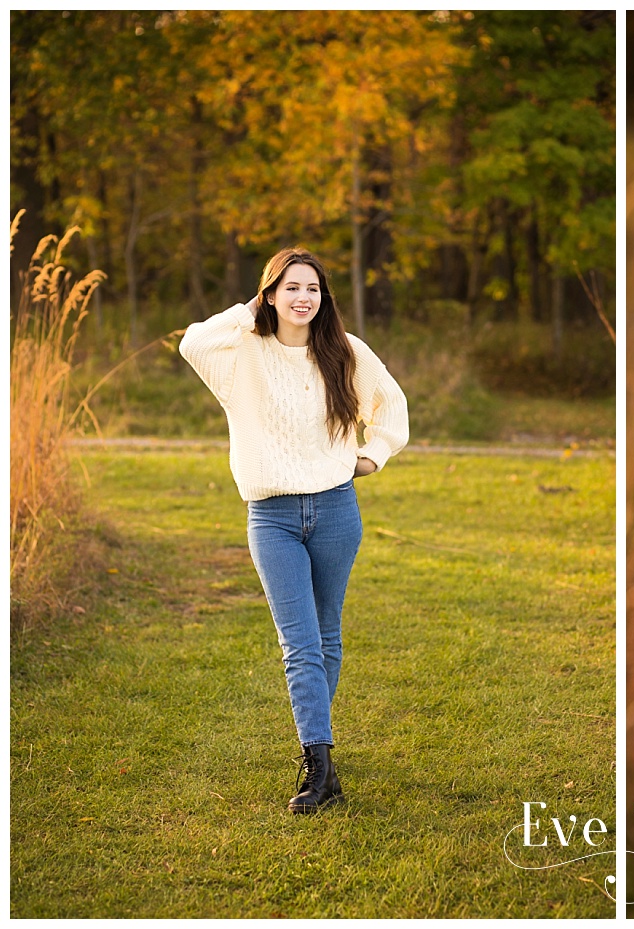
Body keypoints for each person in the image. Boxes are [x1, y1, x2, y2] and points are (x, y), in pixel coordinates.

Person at [180, 247, 410, 814]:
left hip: (336, 511)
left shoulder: (345, 352)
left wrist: (373, 454)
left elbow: (393, 406)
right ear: (271, 294)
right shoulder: (242, 353)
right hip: (273, 518)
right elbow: (191, 342)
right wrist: (249, 309)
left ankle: (318, 754)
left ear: (324, 298)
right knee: (300, 643)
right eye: (291, 287)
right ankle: (319, 764)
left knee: (326, 635)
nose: (304, 298)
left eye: (313, 289)